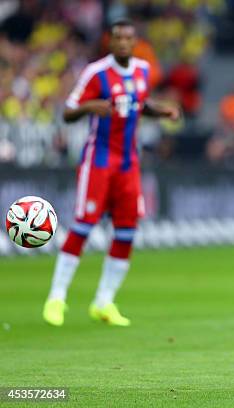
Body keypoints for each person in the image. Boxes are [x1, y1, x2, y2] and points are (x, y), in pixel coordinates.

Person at [42, 19, 180, 327]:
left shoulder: (142, 70)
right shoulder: (96, 73)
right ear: (110, 41)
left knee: (127, 231)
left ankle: (104, 301)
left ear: (134, 42)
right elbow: (67, 112)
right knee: (83, 226)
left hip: (129, 163)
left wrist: (164, 111)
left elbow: (139, 105)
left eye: (128, 39)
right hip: (99, 161)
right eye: (117, 38)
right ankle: (56, 297)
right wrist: (91, 107)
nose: (122, 43)